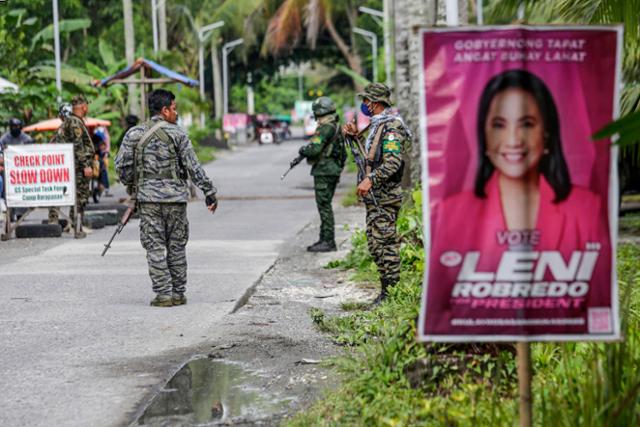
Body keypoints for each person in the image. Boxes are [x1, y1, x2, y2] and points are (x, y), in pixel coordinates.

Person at [426, 69, 611, 333]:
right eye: (499, 125)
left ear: (547, 133)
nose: (513, 140)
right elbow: (437, 315)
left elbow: (600, 312)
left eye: (527, 123)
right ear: (484, 135)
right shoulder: (452, 212)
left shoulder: (587, 209)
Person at [115, 89, 218, 307]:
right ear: (164, 110)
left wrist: (135, 185)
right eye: (174, 108)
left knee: (154, 247)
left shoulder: (134, 134)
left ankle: (163, 295)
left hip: (149, 201)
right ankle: (178, 293)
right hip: (176, 201)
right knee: (177, 247)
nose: (176, 113)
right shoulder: (178, 134)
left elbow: (121, 167)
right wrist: (209, 192)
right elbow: (193, 167)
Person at [342, 83, 412, 304]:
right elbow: (371, 157)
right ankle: (385, 290)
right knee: (374, 244)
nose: (364, 105)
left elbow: (392, 163)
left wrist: (370, 179)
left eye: (366, 101)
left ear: (374, 103)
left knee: (385, 244)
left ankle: (390, 294)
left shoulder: (392, 128)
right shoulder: (377, 125)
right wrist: (355, 137)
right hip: (376, 196)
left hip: (386, 195)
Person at [298, 96, 346, 252]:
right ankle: (324, 239)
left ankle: (328, 241)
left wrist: (303, 150)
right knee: (325, 205)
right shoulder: (336, 126)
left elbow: (315, 149)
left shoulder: (326, 128)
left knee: (324, 206)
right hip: (332, 170)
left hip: (324, 170)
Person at [48, 96, 96, 238]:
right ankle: (76, 225)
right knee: (80, 196)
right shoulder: (75, 122)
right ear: (83, 107)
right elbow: (78, 146)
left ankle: (73, 224)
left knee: (77, 195)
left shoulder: (71, 121)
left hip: (71, 166)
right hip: (77, 167)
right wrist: (86, 165)